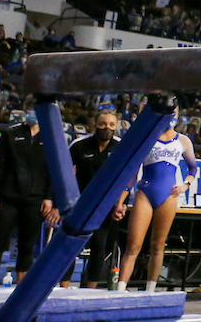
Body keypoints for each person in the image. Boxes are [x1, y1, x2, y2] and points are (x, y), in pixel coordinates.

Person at [117, 109, 198, 292]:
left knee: (158, 245)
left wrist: (186, 184)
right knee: (133, 245)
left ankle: (150, 290)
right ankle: (120, 288)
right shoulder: (147, 138)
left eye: (174, 112)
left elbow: (193, 168)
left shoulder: (183, 141)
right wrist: (122, 199)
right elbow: (132, 171)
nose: (171, 116)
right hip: (145, 193)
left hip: (168, 195)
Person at [0, 100, 59, 285]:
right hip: (7, 198)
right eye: (30, 109)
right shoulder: (10, 133)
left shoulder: (51, 138)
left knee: (27, 246)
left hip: (35, 200)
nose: (33, 112)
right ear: (24, 110)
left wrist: (49, 197)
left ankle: (21, 290)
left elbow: (52, 171)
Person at [63, 111, 125, 288]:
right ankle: (63, 288)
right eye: (103, 124)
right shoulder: (78, 146)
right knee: (70, 247)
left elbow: (126, 178)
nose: (107, 128)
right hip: (79, 205)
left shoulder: (121, 148)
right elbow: (65, 174)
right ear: (94, 125)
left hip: (105, 207)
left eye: (111, 125)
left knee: (99, 247)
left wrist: (120, 204)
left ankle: (90, 290)